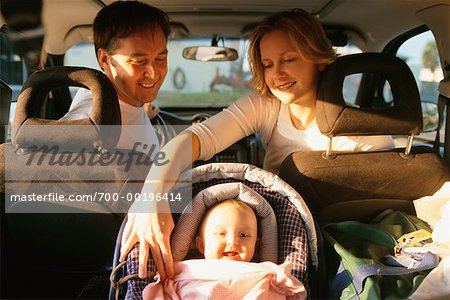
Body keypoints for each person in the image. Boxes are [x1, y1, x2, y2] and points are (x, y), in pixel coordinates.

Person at [120, 8, 395, 280]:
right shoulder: (266, 105)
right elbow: (192, 139)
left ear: (318, 59)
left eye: (289, 59)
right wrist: (151, 199)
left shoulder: (366, 131)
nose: (277, 75)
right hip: (283, 238)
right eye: (267, 65)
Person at [61, 1, 169, 155]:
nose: (153, 73)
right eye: (138, 61)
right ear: (105, 59)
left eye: (160, 59)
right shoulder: (90, 128)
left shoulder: (105, 96)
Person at [142, 199, 307, 299]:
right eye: (221, 234)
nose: (233, 241)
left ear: (256, 246)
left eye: (243, 235)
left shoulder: (267, 272)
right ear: (201, 244)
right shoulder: (180, 270)